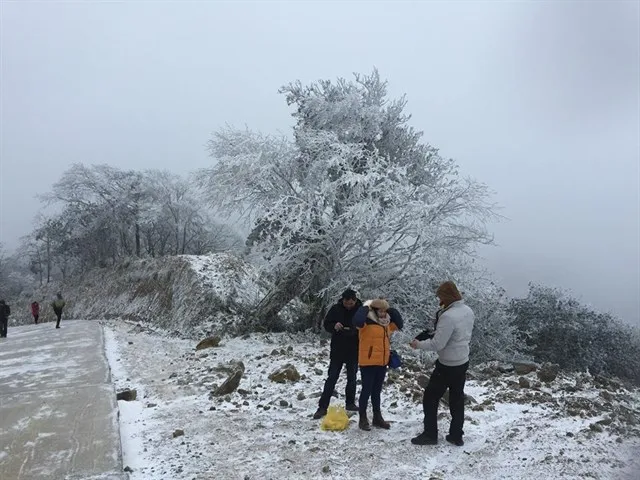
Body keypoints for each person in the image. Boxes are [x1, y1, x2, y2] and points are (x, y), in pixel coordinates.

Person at [409, 281, 475, 446]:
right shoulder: (468, 311)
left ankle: (430, 435)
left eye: (440, 297)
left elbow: (438, 344)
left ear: (447, 296)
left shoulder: (448, 316)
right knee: (457, 398)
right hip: (462, 361)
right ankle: (456, 435)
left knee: (430, 397)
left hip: (447, 364)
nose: (440, 301)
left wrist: (418, 345)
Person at [353, 297, 403, 431]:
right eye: (379, 311)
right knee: (366, 390)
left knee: (376, 391)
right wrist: (365, 308)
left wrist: (391, 309)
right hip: (368, 362)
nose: (382, 313)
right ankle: (362, 417)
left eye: (384, 311)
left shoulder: (386, 324)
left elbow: (399, 324)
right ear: (373, 311)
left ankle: (377, 417)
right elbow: (357, 320)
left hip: (382, 361)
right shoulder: (365, 324)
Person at [313, 289, 363, 419]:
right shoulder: (335, 309)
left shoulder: (361, 310)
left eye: (351, 303)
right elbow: (326, 324)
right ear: (343, 300)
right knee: (332, 378)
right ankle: (323, 407)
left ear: (355, 300)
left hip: (354, 348)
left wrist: (357, 330)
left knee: (352, 378)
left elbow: (366, 327)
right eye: (347, 303)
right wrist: (334, 325)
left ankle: (350, 403)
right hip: (337, 349)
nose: (349, 305)